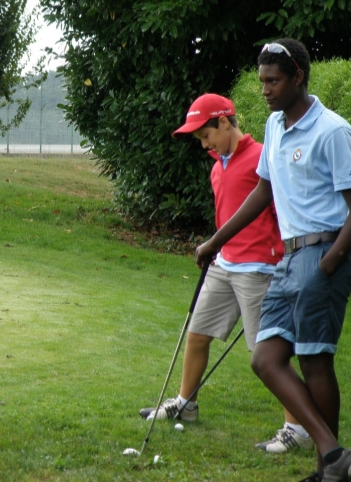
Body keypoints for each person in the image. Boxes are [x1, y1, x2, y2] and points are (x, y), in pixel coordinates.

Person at [195, 39, 351, 482]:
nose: (266, 90)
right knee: (266, 360)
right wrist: (215, 241)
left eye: (273, 81)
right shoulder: (275, 126)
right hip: (289, 258)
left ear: (298, 77)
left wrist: (329, 262)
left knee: (315, 362)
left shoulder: (332, 131)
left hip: (324, 253)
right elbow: (262, 192)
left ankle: (326, 468)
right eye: (261, 82)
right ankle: (335, 455)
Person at [139, 93, 313, 454]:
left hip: (260, 270)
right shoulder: (218, 165)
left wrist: (286, 259)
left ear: (223, 122)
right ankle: (186, 403)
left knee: (269, 353)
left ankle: (297, 428)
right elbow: (227, 219)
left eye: (206, 135)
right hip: (224, 265)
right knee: (197, 334)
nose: (204, 144)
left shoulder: (262, 157)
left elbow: (284, 212)